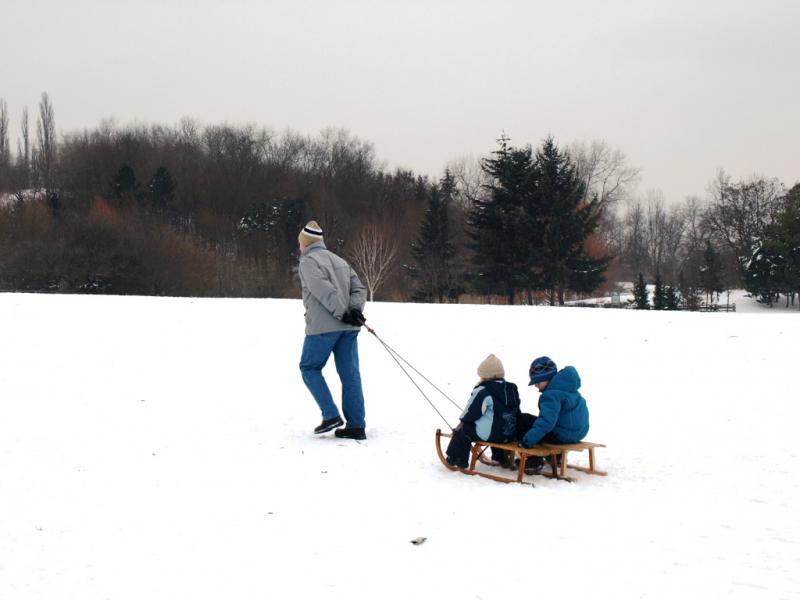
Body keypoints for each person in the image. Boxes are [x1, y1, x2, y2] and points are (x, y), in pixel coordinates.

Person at [297, 220, 368, 440]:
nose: (299, 247)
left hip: (323, 328)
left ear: (306, 243)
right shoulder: (341, 262)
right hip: (348, 328)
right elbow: (359, 288)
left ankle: (330, 415)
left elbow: (322, 290)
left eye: (300, 243)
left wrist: (344, 312)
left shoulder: (308, 262)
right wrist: (353, 311)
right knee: (350, 374)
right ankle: (356, 425)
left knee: (309, 367)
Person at [445, 354, 520, 469]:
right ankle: (500, 456)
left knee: (463, 430)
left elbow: (470, 414)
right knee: (498, 423)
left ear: (484, 375)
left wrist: (463, 421)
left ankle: (457, 459)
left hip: (492, 435)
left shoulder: (484, 390)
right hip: (509, 433)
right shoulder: (511, 390)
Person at [518, 356, 590, 450]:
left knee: (524, 423)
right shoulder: (568, 388)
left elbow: (546, 422)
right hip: (578, 433)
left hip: (562, 436)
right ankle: (557, 457)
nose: (536, 386)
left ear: (547, 378)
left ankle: (534, 459)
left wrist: (527, 440)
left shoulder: (551, 395)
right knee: (533, 423)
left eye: (538, 382)